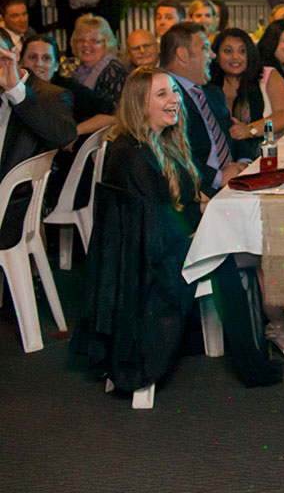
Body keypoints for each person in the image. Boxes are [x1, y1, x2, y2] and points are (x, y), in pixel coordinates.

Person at [69, 67, 201, 392]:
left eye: (173, 91)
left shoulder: (159, 142)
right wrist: (196, 235)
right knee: (239, 261)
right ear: (140, 104)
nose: (175, 100)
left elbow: (172, 205)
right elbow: (150, 235)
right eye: (162, 94)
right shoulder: (133, 155)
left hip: (154, 248)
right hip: (147, 267)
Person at [0, 43, 76, 253]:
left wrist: (15, 90)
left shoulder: (48, 94)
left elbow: (65, 136)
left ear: (14, 55)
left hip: (13, 207)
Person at [161, 22, 246, 197]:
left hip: (233, 183)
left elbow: (232, 132)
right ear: (183, 54)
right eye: (205, 48)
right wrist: (219, 177)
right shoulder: (164, 98)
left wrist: (245, 163)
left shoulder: (212, 93)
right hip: (196, 192)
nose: (213, 55)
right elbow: (170, 153)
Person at [210, 28, 284, 160]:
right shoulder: (209, 85)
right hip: (224, 159)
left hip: (268, 156)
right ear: (216, 55)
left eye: (242, 51)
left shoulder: (267, 75)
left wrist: (249, 130)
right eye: (228, 51)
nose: (235, 57)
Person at [70, 15, 129, 116]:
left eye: (93, 40)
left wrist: (75, 131)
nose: (85, 44)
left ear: (106, 43)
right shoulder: (78, 71)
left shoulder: (113, 70)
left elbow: (111, 115)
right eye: (81, 40)